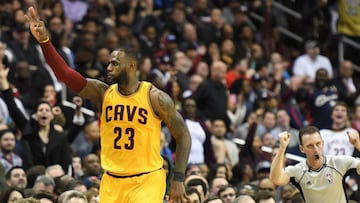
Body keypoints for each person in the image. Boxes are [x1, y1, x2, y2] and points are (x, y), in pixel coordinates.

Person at [25, 6, 191, 203]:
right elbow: (65, 74)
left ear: (131, 67)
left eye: (114, 63)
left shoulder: (155, 97)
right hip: (112, 180)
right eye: (109, 63)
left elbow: (183, 136)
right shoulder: (102, 92)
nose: (108, 67)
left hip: (147, 179)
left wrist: (178, 178)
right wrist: (45, 42)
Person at [270, 126, 360, 202]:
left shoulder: (339, 163)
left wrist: (358, 145)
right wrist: (282, 148)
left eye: (318, 144)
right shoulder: (298, 171)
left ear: (323, 143)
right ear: (302, 149)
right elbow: (276, 179)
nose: (316, 149)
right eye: (310, 146)